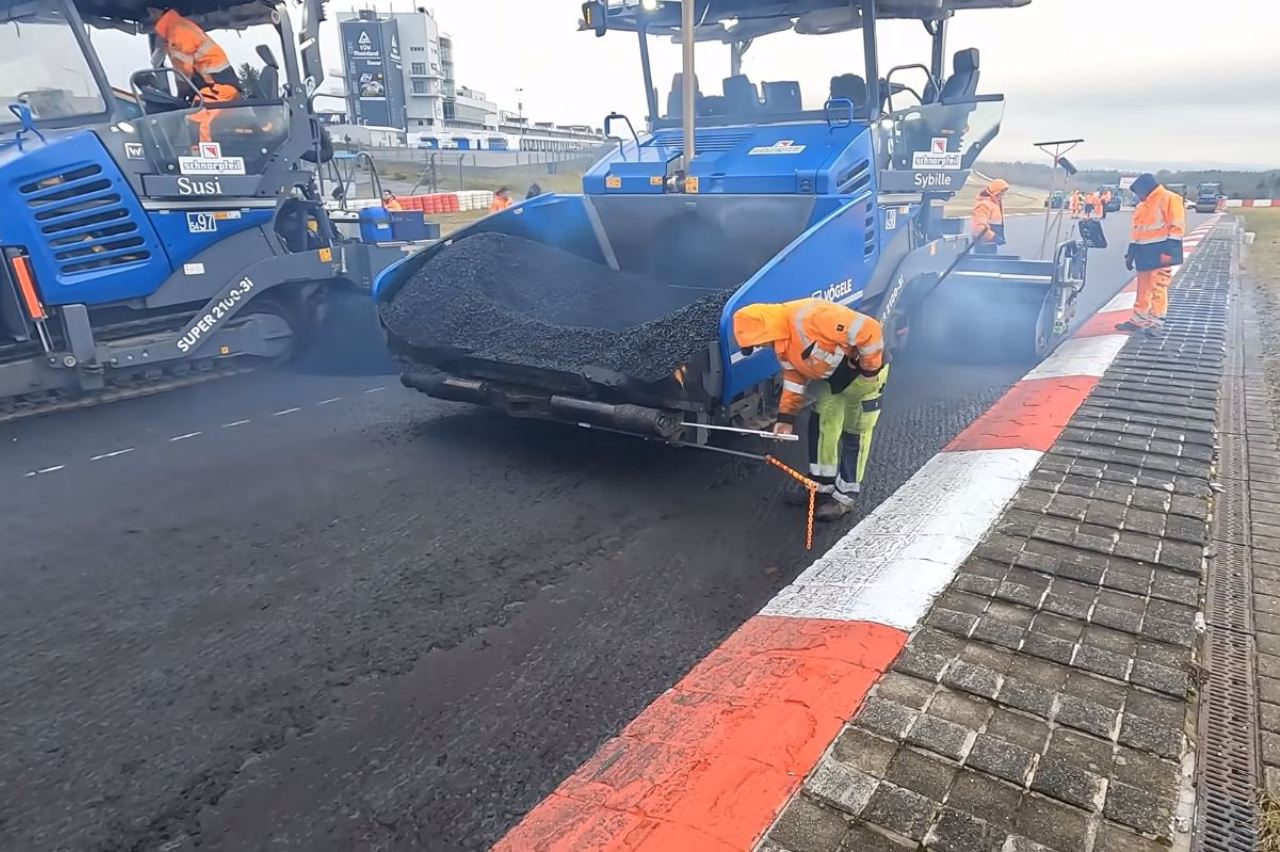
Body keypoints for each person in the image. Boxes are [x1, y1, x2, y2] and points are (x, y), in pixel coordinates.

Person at [733, 299, 887, 521]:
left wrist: (869, 371)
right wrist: (786, 418)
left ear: (769, 330)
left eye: (759, 342)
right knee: (821, 425)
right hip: (835, 379)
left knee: (855, 434)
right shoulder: (782, 345)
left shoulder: (813, 318)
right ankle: (820, 486)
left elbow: (869, 330)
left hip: (865, 377)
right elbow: (794, 380)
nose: (760, 347)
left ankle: (845, 497)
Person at [1117, 173, 1185, 337]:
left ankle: (1156, 322)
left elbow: (1177, 227)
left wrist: (1169, 252)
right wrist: (1131, 253)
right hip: (1143, 251)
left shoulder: (1170, 198)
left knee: (1158, 286)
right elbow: (1137, 231)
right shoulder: (1142, 206)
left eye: (1139, 193)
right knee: (1143, 289)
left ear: (1146, 189)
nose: (1138, 197)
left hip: (1160, 251)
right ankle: (1138, 321)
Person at [148, 7, 241, 101]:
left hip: (219, 89)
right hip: (216, 86)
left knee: (195, 109)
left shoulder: (177, 33)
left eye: (148, 14)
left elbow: (183, 70)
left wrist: (181, 95)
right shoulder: (180, 25)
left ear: (153, 11)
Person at [970, 178, 1008, 255]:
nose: (1002, 195)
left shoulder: (994, 204)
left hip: (991, 243)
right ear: (996, 192)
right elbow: (980, 227)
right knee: (985, 262)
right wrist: (993, 237)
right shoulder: (984, 205)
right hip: (984, 245)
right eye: (1001, 193)